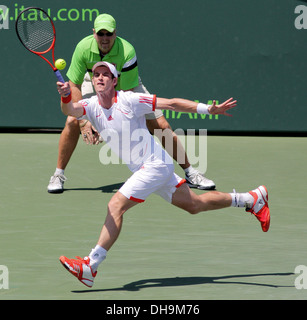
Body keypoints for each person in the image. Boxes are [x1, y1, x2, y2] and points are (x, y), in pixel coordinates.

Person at [57, 62, 270, 287]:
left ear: (115, 80)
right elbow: (70, 111)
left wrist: (208, 109)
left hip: (154, 165)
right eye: (96, 75)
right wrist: (65, 96)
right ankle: (251, 199)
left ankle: (91, 265)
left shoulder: (130, 100)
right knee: (194, 205)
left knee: (115, 205)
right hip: (150, 167)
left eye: (105, 75)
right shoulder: (90, 105)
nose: (99, 78)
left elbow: (172, 103)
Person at [47, 13, 215, 194]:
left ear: (115, 33)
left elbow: (123, 96)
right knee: (72, 121)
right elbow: (74, 84)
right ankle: (58, 174)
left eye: (109, 34)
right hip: (93, 78)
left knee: (160, 124)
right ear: (94, 33)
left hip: (126, 84)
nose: (105, 38)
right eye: (100, 34)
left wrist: (104, 122)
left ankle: (190, 172)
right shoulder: (83, 47)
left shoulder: (127, 51)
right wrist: (84, 121)